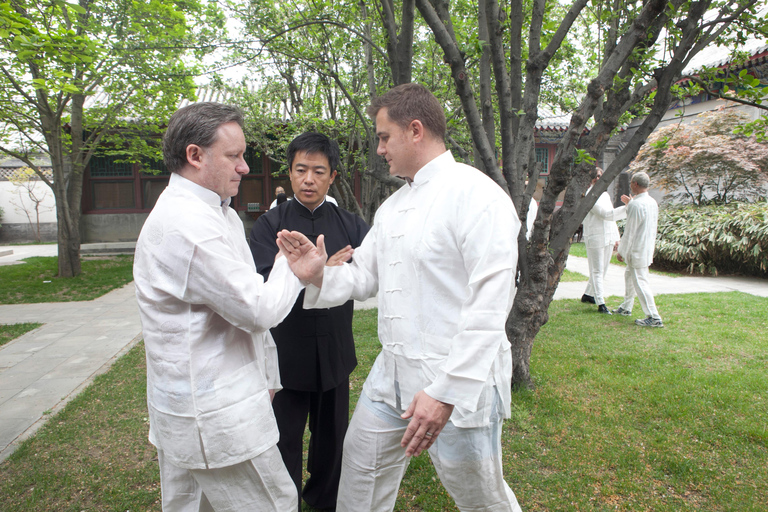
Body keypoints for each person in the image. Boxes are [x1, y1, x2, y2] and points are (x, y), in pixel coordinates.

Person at [280, 83, 523, 512]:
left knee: (479, 495)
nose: (379, 149)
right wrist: (318, 276)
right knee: (360, 466)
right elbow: (364, 277)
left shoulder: (478, 196)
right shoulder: (392, 208)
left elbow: (490, 306)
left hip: (454, 381)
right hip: (390, 376)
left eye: (383, 137)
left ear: (415, 130)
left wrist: (446, 391)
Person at [133, 102, 327, 512]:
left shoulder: (215, 212)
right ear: (195, 155)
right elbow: (257, 308)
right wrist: (295, 269)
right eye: (234, 156)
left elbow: (243, 302)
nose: (244, 167)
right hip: (213, 417)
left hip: (203, 408)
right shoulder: (189, 226)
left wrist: (267, 376)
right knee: (275, 503)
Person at [248, 132, 370, 511]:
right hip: (287, 353)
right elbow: (265, 280)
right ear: (290, 171)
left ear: (332, 176)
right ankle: (285, 504)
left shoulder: (351, 224)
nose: (308, 180)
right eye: (300, 170)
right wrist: (320, 271)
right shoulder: (271, 226)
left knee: (332, 439)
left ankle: (324, 500)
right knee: (283, 438)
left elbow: (366, 275)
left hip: (334, 351)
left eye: (318, 171)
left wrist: (328, 275)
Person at [613, 171, 663, 327]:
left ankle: (653, 316)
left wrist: (621, 250)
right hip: (646, 247)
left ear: (635, 184)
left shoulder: (637, 204)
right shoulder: (651, 202)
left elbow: (630, 231)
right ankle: (626, 306)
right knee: (630, 275)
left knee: (640, 282)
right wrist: (629, 204)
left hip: (637, 249)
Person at [580, 167, 626, 313]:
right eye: (595, 176)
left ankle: (588, 294)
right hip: (595, 236)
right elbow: (606, 214)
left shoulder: (605, 195)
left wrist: (616, 237)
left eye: (600, 176)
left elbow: (611, 219)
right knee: (597, 270)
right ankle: (601, 303)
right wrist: (627, 208)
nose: (598, 178)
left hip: (608, 235)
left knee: (603, 269)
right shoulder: (590, 195)